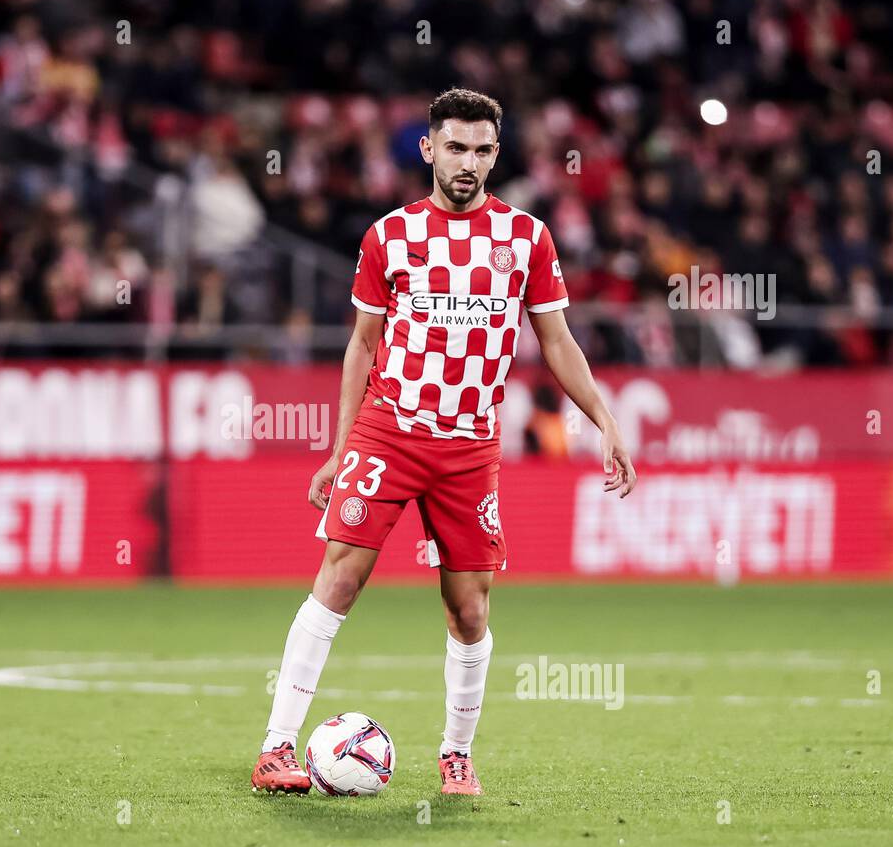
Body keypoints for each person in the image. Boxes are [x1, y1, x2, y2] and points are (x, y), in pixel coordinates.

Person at [251, 88, 636, 796]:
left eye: (482, 150)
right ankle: (276, 748)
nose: (468, 162)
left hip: (469, 448)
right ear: (428, 149)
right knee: (340, 577)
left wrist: (604, 421)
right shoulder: (388, 236)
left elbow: (557, 339)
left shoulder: (527, 238)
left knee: (470, 606)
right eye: (455, 147)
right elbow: (361, 346)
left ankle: (456, 755)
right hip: (390, 430)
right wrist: (340, 450)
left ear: (497, 154)